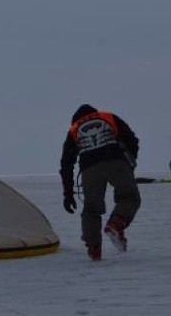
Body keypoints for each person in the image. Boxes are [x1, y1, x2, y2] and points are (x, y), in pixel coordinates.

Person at [60, 104, 141, 261]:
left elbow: (66, 164)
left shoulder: (74, 129)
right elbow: (132, 139)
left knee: (91, 209)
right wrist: (129, 162)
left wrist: (68, 194)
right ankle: (116, 223)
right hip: (116, 160)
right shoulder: (108, 117)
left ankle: (94, 249)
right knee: (129, 197)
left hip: (90, 169)